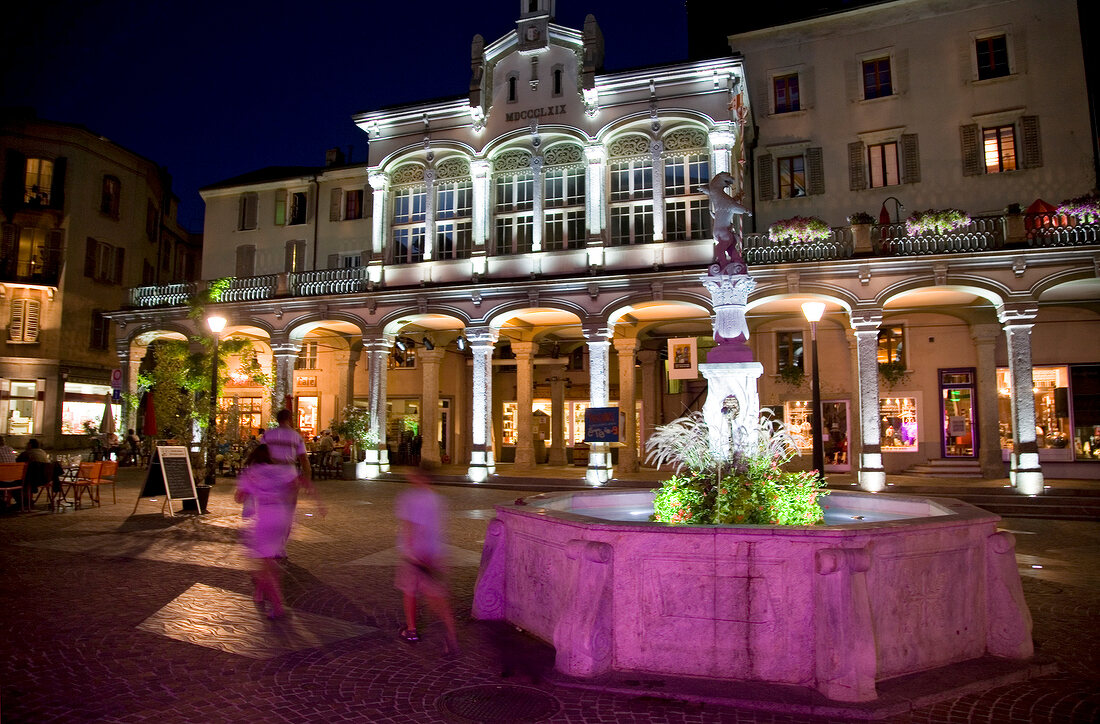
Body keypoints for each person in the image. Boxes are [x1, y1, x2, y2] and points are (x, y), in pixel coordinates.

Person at [234, 443, 323, 619]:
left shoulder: (252, 472)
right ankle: (259, 593)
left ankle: (277, 606)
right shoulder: (280, 470)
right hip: (282, 517)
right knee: (267, 560)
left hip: (265, 519)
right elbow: (301, 481)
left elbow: (239, 497)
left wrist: (252, 491)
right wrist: (319, 503)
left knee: (262, 567)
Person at [395, 464, 459, 656]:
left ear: (417, 477)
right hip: (435, 552)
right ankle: (451, 635)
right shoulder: (438, 499)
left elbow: (410, 527)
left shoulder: (408, 498)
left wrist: (411, 553)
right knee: (438, 597)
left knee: (410, 591)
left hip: (417, 554)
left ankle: (412, 630)